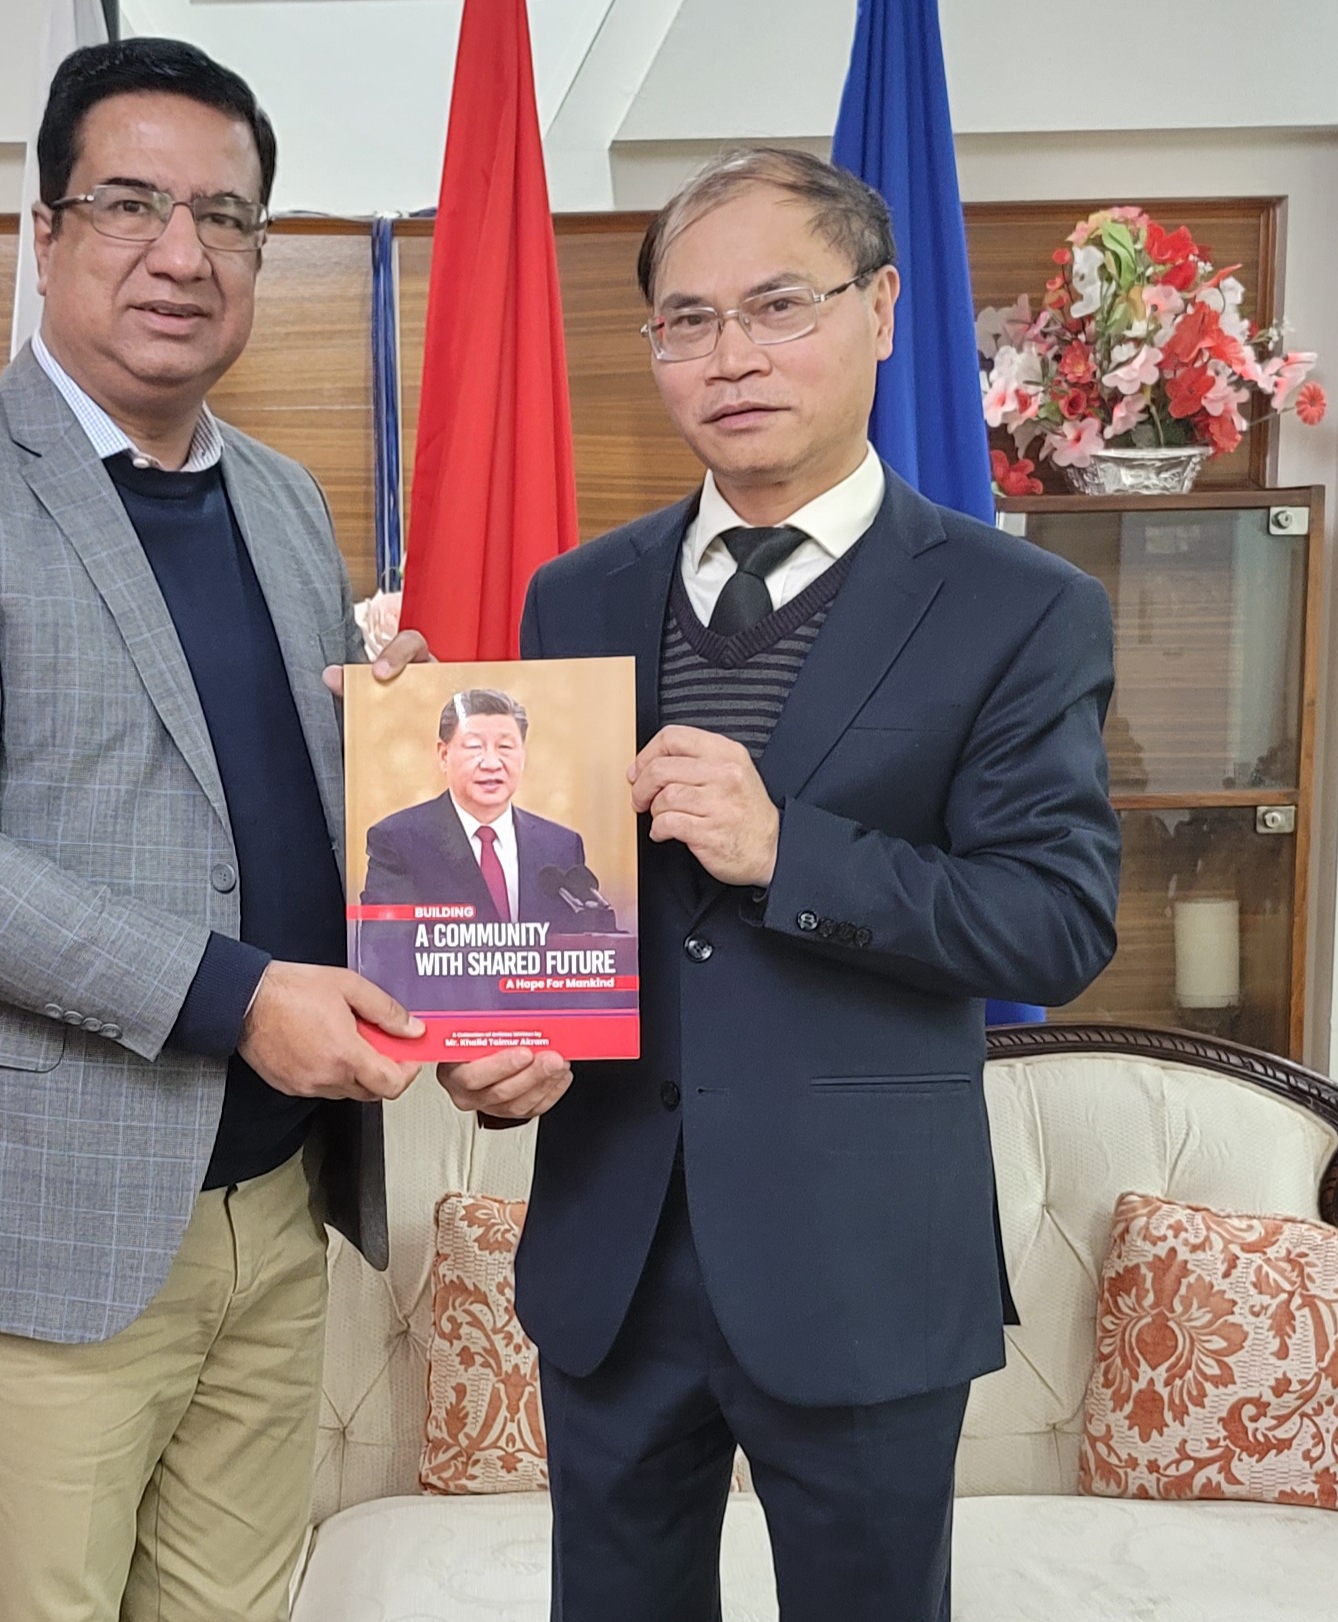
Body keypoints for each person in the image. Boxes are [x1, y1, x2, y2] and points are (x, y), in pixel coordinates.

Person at [0, 38, 445, 1622]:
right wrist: (240, 995)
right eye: (132, 203)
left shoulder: (283, 499)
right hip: (50, 1211)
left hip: (279, 1197)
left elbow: (263, 804)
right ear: (45, 228)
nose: (182, 252)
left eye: (226, 216)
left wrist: (399, 754)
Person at [435, 146, 1122, 1622]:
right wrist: (496, 1038)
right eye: (687, 320)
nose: (731, 356)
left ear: (879, 309)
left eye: (777, 305)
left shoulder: (1019, 608)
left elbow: (1054, 920)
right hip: (613, 1253)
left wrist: (785, 849)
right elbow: (551, 899)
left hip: (861, 1264)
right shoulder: (575, 594)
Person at [360, 688, 607, 928]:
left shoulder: (561, 846)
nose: (491, 763)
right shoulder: (398, 842)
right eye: (474, 747)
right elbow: (385, 949)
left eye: (505, 747)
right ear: (444, 755)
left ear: (523, 756)